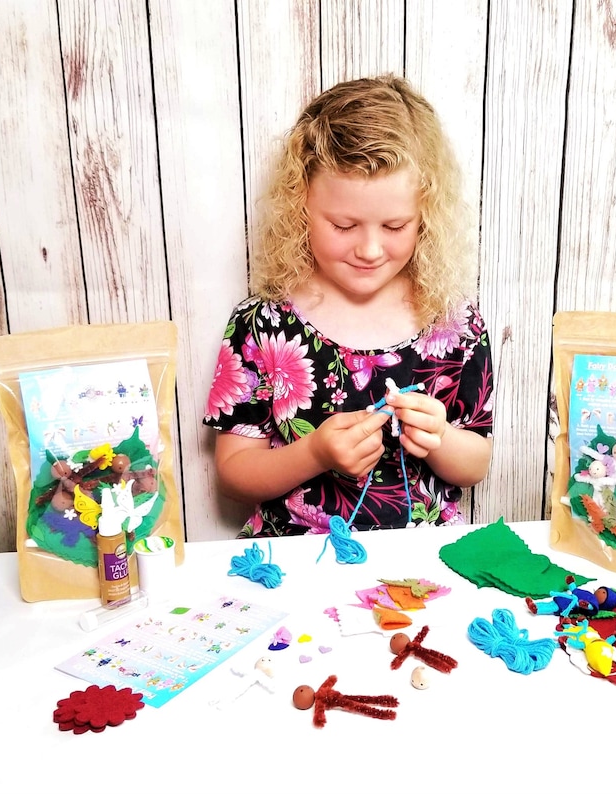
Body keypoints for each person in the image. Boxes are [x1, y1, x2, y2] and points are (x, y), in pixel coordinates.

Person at [203, 74, 494, 537]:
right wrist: (313, 454)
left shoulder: (454, 322)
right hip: (295, 558)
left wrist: (440, 438)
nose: (370, 249)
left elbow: (476, 462)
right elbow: (235, 472)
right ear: (301, 206)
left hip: (420, 562)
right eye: (344, 225)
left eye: (395, 226)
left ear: (426, 217)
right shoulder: (263, 323)